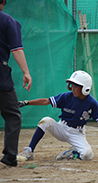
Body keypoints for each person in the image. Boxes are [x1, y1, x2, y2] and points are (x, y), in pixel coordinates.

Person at [17, 70, 98, 161]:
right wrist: (26, 102)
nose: (72, 89)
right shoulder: (67, 97)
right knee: (46, 121)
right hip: (62, 127)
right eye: (71, 85)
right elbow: (46, 101)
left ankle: (72, 153)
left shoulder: (92, 103)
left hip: (77, 133)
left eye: (76, 86)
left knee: (88, 155)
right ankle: (29, 150)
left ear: (85, 88)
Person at [0, 0, 32, 167]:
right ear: (3, 2)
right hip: (1, 72)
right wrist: (26, 72)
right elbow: (16, 49)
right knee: (13, 114)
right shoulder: (8, 21)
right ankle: (10, 155)